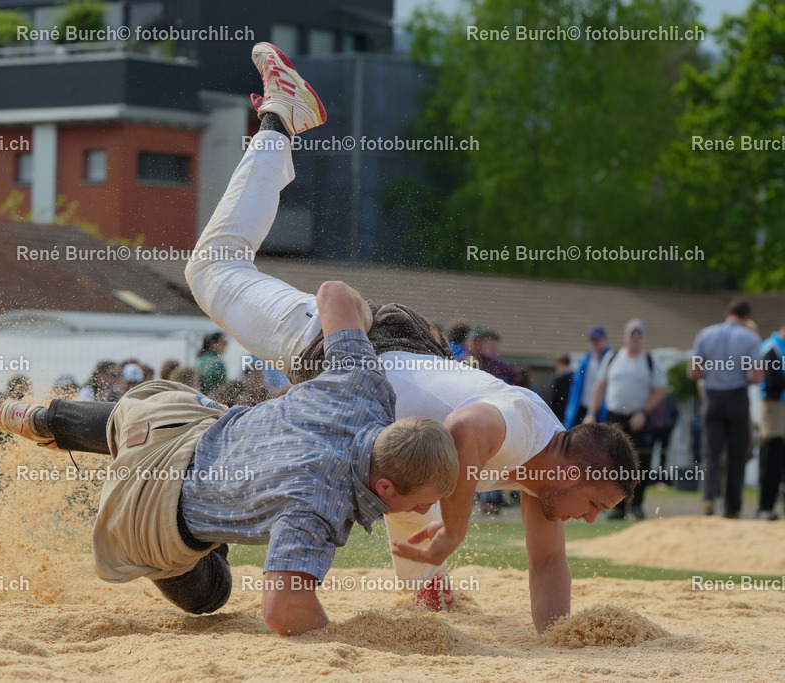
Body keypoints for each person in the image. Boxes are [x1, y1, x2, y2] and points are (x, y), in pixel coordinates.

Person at [181, 42, 638, 632]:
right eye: (597, 506)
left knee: (415, 496)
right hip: (339, 347)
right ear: (573, 475)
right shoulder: (526, 422)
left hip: (368, 379)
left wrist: (558, 641)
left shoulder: (539, 477)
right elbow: (462, 431)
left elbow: (547, 565)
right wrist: (454, 531)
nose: (593, 520)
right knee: (212, 267)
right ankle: (278, 120)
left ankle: (425, 595)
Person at [0, 279, 460, 635]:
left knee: (162, 420)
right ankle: (207, 530)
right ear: (383, 486)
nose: (423, 512)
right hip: (149, 518)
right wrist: (349, 641)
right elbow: (282, 611)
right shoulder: (319, 510)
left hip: (169, 433)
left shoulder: (363, 386)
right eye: (422, 502)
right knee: (212, 597)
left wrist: (363, 322)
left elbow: (333, 292)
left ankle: (50, 419)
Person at [688, 300, 763, 518]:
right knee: (737, 454)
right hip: (737, 398)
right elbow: (757, 375)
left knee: (710, 453)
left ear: (727, 313)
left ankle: (708, 499)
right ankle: (732, 506)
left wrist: (711, 374)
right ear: (747, 317)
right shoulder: (750, 338)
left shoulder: (706, 334)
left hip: (712, 398)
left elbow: (692, 372)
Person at [585, 319, 666, 519]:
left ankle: (637, 504)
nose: (635, 339)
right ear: (625, 336)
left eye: (639, 335)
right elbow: (599, 387)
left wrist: (644, 412)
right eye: (632, 334)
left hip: (639, 417)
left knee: (641, 462)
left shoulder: (650, 360)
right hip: (615, 417)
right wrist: (592, 413)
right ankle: (617, 505)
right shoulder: (612, 358)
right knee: (614, 463)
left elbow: (660, 391)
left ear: (644, 338)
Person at [757, 322, 785, 520]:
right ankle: (765, 507)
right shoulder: (771, 347)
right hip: (774, 407)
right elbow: (773, 380)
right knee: (772, 456)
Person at [564, 326, 612, 428]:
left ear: (605, 340)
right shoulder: (584, 361)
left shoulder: (612, 359)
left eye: (598, 340)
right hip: (583, 407)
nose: (595, 343)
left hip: (604, 410)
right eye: (593, 340)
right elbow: (576, 389)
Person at [550, 354, 573, 421]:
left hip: (560, 412)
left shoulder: (560, 379)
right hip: (571, 411)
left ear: (562, 363)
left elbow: (554, 398)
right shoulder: (575, 377)